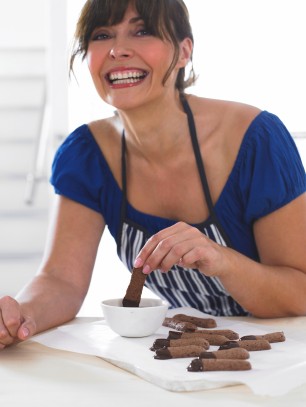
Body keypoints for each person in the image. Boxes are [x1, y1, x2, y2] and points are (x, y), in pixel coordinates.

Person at [1, 0, 306, 350]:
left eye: (142, 30)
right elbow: (60, 281)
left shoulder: (255, 139)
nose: (117, 50)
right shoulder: (86, 154)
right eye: (101, 35)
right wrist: (21, 316)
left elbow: (301, 291)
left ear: (183, 51)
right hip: (184, 357)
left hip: (282, 357)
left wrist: (222, 261)